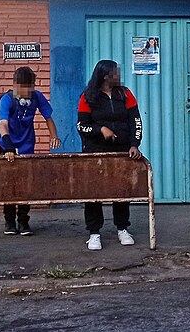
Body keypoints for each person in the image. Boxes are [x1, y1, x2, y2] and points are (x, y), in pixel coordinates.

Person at [76, 59, 143, 251]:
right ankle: (94, 233)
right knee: (94, 192)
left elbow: (135, 121)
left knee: (121, 191)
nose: (119, 75)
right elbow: (81, 126)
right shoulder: (87, 97)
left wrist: (134, 144)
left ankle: (122, 229)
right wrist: (100, 130)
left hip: (122, 151)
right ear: (105, 76)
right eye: (115, 72)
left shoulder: (125, 94)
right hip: (95, 151)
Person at [0, 66, 61, 235]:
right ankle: (9, 221)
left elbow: (48, 117)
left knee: (25, 184)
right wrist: (8, 147)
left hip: (27, 145)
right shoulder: (7, 99)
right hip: (8, 144)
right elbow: (3, 124)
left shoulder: (37, 97)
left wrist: (54, 135)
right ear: (16, 85)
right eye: (24, 87)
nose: (28, 90)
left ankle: (23, 221)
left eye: (31, 86)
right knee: (9, 184)